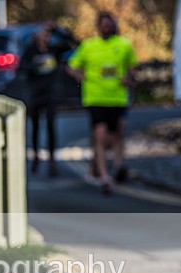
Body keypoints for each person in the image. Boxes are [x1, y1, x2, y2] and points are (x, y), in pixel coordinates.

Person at [67, 12, 138, 195]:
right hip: (95, 97)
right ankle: (105, 177)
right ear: (98, 27)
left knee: (117, 134)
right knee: (100, 134)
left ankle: (118, 165)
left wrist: (129, 80)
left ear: (113, 26)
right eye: (103, 25)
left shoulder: (124, 44)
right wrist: (78, 75)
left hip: (117, 97)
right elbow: (72, 66)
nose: (106, 28)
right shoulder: (88, 45)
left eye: (109, 25)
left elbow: (132, 70)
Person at [19, 22, 62, 177]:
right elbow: (22, 67)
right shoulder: (31, 51)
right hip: (35, 94)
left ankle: (52, 159)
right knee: (35, 126)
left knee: (51, 125)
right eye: (42, 34)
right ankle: (36, 156)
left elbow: (70, 44)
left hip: (50, 93)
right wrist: (36, 65)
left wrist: (56, 29)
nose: (45, 38)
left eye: (47, 35)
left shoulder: (54, 50)